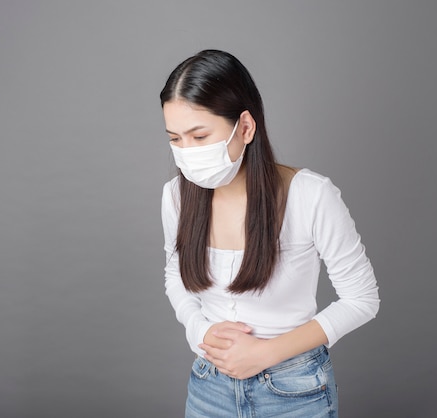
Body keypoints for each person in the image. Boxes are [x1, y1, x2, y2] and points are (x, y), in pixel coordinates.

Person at [160, 49, 380, 418]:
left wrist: (264, 354)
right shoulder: (176, 196)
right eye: (175, 139)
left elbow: (362, 299)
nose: (186, 152)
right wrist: (198, 330)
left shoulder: (310, 194)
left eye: (199, 136)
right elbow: (174, 273)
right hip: (208, 387)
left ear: (245, 127)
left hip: (295, 391)